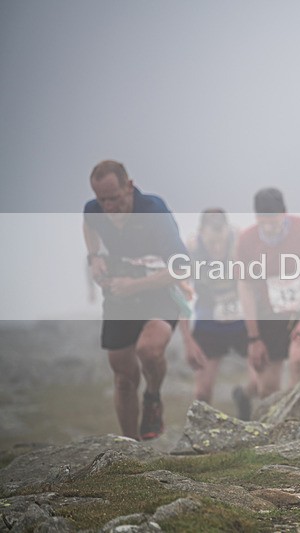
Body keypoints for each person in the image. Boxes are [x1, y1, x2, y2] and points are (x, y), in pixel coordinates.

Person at [83, 160, 188, 440]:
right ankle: (132, 448)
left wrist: (136, 285)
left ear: (129, 186)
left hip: (159, 291)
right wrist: (94, 258)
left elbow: (182, 267)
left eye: (114, 198)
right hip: (120, 296)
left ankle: (153, 397)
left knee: (149, 350)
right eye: (101, 199)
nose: (108, 206)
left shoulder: (154, 210)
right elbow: (89, 225)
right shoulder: (94, 211)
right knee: (124, 378)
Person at [236, 188, 300, 409]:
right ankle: (264, 419)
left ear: (284, 213)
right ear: (256, 217)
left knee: (299, 360)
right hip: (269, 314)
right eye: (263, 222)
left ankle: (293, 420)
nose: (269, 227)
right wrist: (253, 337)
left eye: (274, 221)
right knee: (267, 388)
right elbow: (245, 289)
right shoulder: (247, 240)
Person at [178, 209, 256, 420]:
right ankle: (198, 435)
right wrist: (187, 341)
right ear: (201, 233)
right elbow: (181, 296)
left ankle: (244, 399)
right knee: (202, 391)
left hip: (242, 319)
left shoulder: (242, 242)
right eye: (212, 243)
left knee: (259, 382)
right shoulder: (191, 250)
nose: (217, 248)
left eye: (220, 242)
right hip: (208, 320)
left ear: (228, 232)